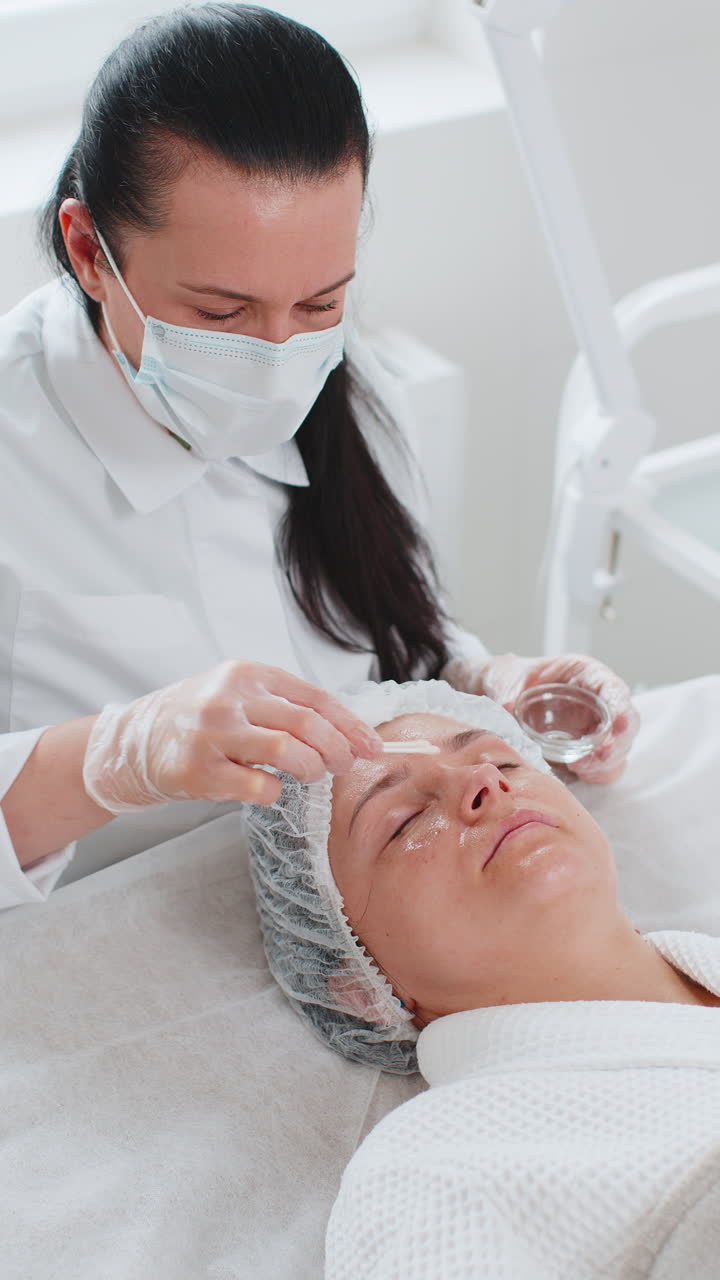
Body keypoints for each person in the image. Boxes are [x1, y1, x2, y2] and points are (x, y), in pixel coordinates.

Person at [0, 4, 638, 910]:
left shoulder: (340, 384)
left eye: (319, 304)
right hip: (118, 938)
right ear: (87, 251)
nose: (274, 359)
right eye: (221, 315)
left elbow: (372, 644)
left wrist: (483, 681)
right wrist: (112, 757)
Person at [245, 679, 720, 1280]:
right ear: (363, 990)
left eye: (501, 759)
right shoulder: (433, 1178)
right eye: (403, 821)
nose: (482, 781)